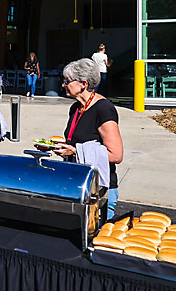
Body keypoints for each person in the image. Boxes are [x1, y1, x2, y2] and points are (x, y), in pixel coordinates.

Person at [52, 58, 124, 218]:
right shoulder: (76, 108)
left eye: (67, 81)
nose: (63, 85)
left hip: (98, 190)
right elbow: (78, 143)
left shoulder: (104, 109)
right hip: (77, 184)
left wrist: (74, 151)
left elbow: (116, 154)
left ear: (83, 84)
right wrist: (62, 146)